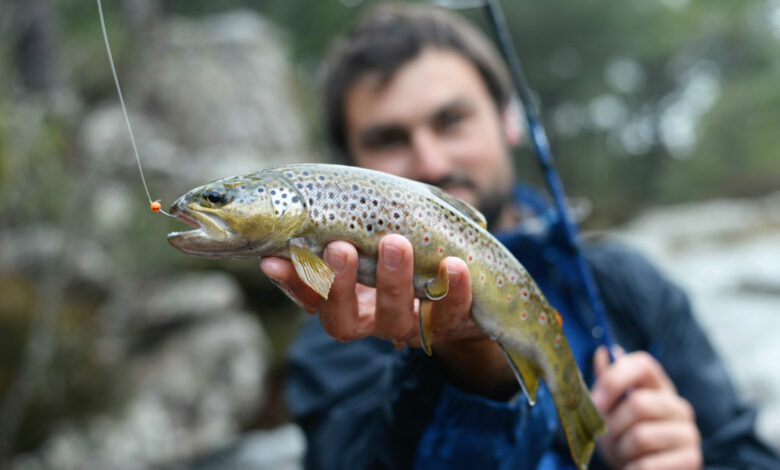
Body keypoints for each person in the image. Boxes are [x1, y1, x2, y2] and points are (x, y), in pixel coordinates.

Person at [260, 3, 780, 469]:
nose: (430, 162)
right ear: (349, 168)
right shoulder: (335, 333)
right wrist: (465, 365)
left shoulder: (629, 285)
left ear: (509, 120)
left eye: (452, 120)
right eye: (389, 139)